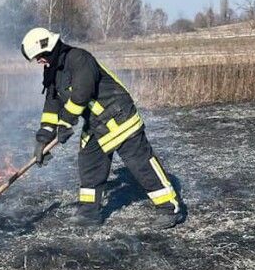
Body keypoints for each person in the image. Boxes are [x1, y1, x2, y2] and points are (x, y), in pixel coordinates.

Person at [20, 27, 186, 229]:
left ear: (49, 48)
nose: (39, 61)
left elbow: (82, 93)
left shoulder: (79, 58)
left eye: (39, 56)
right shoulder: (53, 72)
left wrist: (65, 124)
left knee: (141, 165)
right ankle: (89, 214)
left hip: (119, 116)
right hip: (96, 125)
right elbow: (51, 105)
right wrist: (43, 137)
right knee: (89, 164)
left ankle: (170, 209)